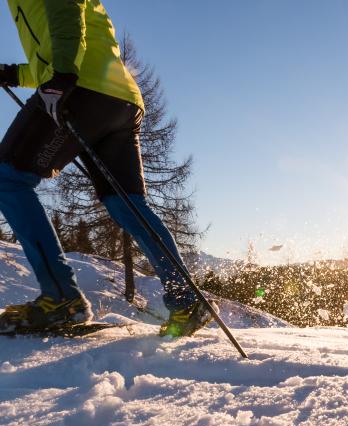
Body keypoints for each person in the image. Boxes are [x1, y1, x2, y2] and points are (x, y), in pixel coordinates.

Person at [0, 0, 212, 337]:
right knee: (125, 202)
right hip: (119, 98)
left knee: (8, 180)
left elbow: (65, 12)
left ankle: (61, 300)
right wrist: (13, 73)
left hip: (80, 88)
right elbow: (58, 50)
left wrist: (64, 74)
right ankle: (186, 298)